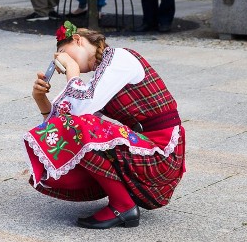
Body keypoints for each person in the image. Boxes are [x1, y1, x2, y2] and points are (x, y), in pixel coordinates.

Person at [24, 21, 185, 229]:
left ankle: (123, 206)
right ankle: (122, 201)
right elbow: (61, 124)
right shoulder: (100, 78)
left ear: (77, 40)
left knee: (83, 126)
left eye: (63, 52)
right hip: (146, 150)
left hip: (162, 153)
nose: (60, 62)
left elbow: (83, 110)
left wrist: (72, 71)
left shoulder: (121, 57)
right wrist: (40, 99)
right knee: (74, 128)